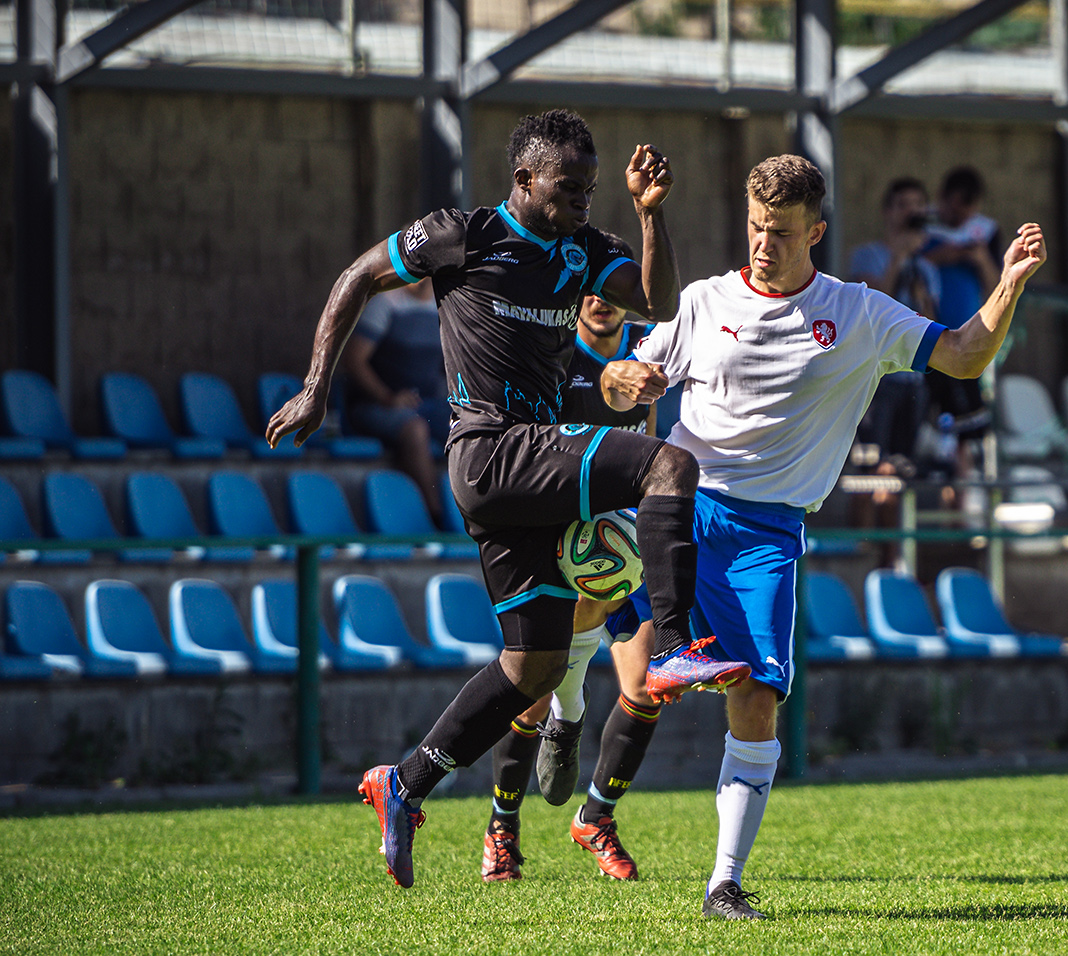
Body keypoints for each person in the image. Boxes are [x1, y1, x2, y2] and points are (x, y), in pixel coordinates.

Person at [264, 109, 749, 891]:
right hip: (492, 448)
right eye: (569, 187)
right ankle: (670, 647)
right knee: (668, 467)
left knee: (534, 666)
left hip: (521, 475)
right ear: (524, 179)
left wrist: (649, 214)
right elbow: (357, 275)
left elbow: (655, 302)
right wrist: (317, 388)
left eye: (591, 188)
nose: (582, 200)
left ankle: (405, 783)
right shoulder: (461, 235)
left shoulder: (587, 249)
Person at [601, 154, 1046, 919]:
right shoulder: (703, 301)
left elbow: (963, 355)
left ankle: (723, 883)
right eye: (754, 227)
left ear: (815, 232)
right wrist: (624, 383)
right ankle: (536, 781)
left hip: (764, 534)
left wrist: (1007, 283)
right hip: (678, 511)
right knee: (608, 661)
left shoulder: (858, 313)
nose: (762, 244)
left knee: (756, 698)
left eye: (779, 231)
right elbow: (618, 382)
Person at [481, 232, 666, 885]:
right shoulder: (553, 358)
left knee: (647, 688)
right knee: (533, 693)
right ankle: (502, 829)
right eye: (590, 289)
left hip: (624, 546)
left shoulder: (650, 347)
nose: (601, 301)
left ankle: (596, 817)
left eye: (612, 290)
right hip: (567, 548)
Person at [848, 177, 939, 464]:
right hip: (878, 378)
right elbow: (872, 307)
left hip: (914, 379)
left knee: (903, 466)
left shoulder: (928, 268)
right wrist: (898, 257)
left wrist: (921, 294)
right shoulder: (866, 256)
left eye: (917, 205)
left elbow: (933, 324)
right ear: (887, 211)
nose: (911, 212)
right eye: (903, 205)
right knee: (870, 466)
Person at [341, 278, 449, 517]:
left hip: (430, 405)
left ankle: (474, 514)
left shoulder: (444, 305)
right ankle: (435, 517)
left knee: (470, 426)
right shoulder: (384, 303)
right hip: (378, 405)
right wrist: (387, 397)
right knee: (415, 430)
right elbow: (354, 361)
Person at [923, 167, 1001, 478]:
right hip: (928, 338)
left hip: (969, 338)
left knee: (966, 427)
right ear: (942, 199)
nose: (960, 219)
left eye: (967, 212)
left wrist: (980, 259)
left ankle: (962, 486)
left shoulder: (985, 234)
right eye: (955, 209)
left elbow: (998, 287)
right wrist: (939, 257)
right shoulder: (922, 226)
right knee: (930, 420)